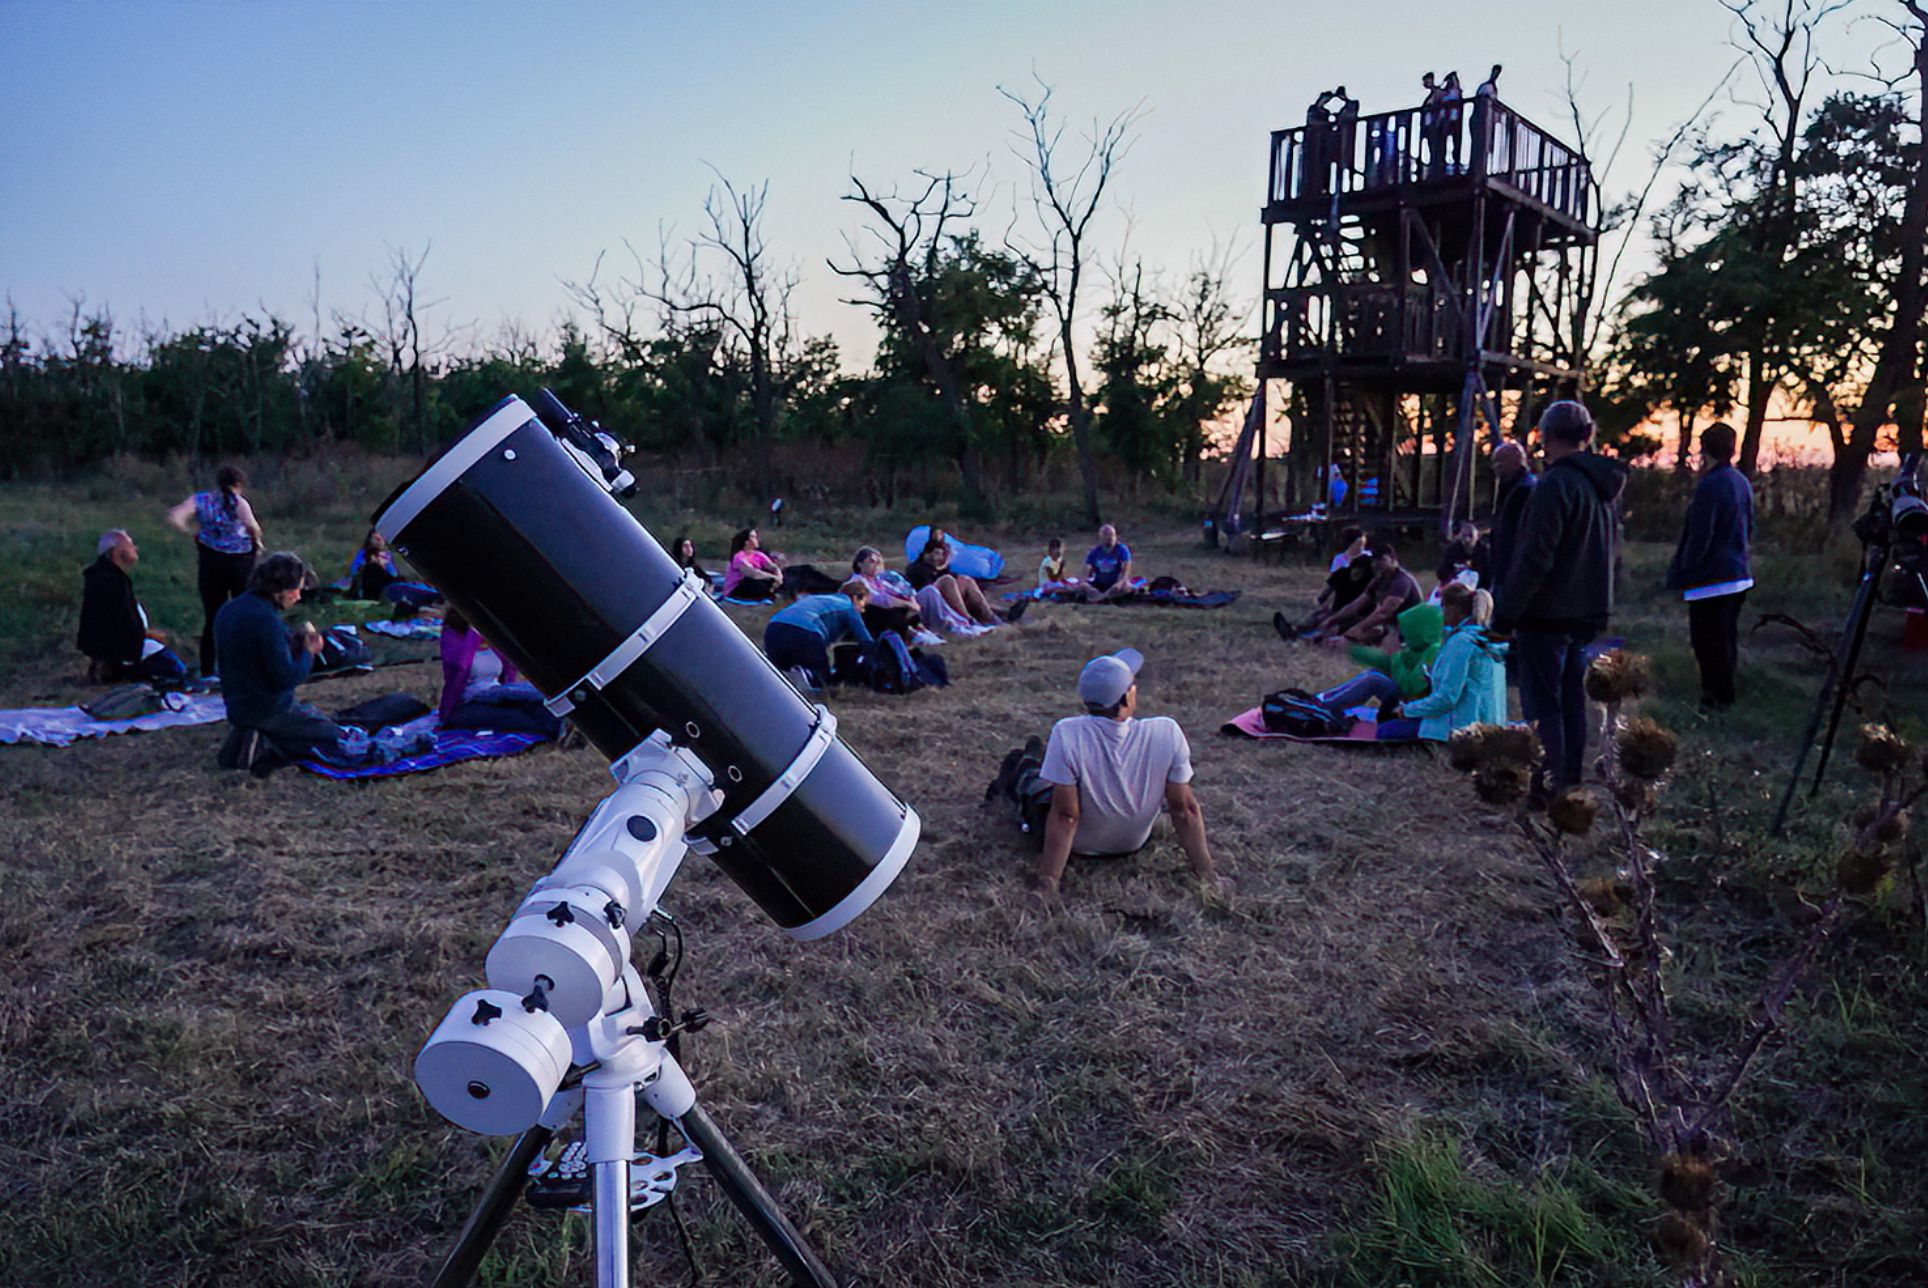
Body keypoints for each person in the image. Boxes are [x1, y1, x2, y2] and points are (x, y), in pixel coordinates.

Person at [1494, 400, 1627, 791]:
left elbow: (1536, 556)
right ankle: (1569, 782)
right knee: (1571, 701)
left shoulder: (1555, 485)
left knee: (1543, 706)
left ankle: (1547, 786)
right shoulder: (1600, 486)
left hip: (1548, 612)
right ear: (1587, 436)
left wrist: (1506, 613)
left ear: (1547, 436)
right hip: (1586, 610)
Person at [1029, 648, 1229, 901]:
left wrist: (1048, 885)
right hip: (1132, 842)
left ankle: (1025, 763)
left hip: (1080, 846)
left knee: (1030, 780)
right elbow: (1184, 809)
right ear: (1125, 699)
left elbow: (1065, 815)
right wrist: (1209, 876)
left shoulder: (1067, 732)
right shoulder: (1166, 732)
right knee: (1033, 773)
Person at [212, 551, 353, 768]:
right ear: (279, 591)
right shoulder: (266, 620)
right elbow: (286, 677)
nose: (298, 597)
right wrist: (308, 652)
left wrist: (294, 641)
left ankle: (253, 734)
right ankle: (264, 743)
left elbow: (253, 654)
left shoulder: (228, 609)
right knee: (331, 734)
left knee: (308, 717)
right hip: (269, 709)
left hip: (237, 707)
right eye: (295, 590)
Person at [1666, 422, 1754, 709]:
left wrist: (1682, 572)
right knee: (1725, 640)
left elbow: (1700, 536)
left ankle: (1714, 697)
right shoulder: (1741, 482)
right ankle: (1724, 695)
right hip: (1737, 574)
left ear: (1706, 449)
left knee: (1706, 644)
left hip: (1710, 579)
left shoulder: (1709, 486)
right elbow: (1749, 527)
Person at [1373, 583, 1506, 741]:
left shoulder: (1460, 642)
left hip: (1460, 728)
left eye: (1443, 607)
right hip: (1488, 723)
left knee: (1384, 731)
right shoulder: (1486, 640)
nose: (1440, 613)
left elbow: (1448, 698)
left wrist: (1407, 710)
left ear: (1454, 609)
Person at [166, 464, 263, 676]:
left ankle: (208, 669)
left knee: (213, 616)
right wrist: (257, 543)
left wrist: (192, 531)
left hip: (211, 561)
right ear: (239, 484)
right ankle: (243, 665)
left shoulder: (201, 500)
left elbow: (175, 516)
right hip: (240, 561)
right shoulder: (239, 503)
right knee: (243, 612)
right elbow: (252, 526)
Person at [76, 529, 188, 686]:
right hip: (125, 652)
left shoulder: (106, 577)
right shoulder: (111, 581)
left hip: (124, 647)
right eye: (130, 544)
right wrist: (146, 635)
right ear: (116, 550)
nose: (136, 548)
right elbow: (118, 624)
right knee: (176, 672)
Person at [1309, 599, 1444, 721]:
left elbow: (1411, 687)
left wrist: (1396, 656)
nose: (1404, 636)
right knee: (1374, 672)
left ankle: (1322, 707)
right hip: (1410, 702)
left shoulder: (1433, 652)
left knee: (1375, 680)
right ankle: (1321, 700)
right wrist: (1352, 649)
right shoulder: (1421, 648)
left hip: (1414, 708)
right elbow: (1385, 662)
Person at [439, 608, 562, 736]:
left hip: (496, 694)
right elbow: (460, 666)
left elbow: (510, 668)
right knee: (518, 717)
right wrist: (473, 632)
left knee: (538, 706)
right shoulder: (451, 636)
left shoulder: (490, 638)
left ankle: (561, 728)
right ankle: (554, 730)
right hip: (466, 704)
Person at [764, 580, 875, 691]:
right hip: (804, 632)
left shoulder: (815, 598)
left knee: (778, 671)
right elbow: (865, 640)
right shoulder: (848, 607)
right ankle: (809, 677)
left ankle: (789, 676)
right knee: (822, 679)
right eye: (863, 605)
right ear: (856, 598)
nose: (863, 610)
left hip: (773, 628)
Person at [1316, 542, 1422, 645]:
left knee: (1361, 635)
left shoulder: (1401, 581)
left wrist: (1357, 629)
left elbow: (1384, 613)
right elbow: (1357, 604)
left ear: (1393, 559)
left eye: (1381, 559)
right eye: (1374, 560)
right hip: (1390, 626)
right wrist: (1332, 620)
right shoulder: (1380, 580)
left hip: (1408, 630)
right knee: (1346, 627)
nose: (1376, 563)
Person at [908, 538, 1011, 625]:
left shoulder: (940, 568)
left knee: (965, 579)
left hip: (947, 599)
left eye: (940, 554)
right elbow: (929, 589)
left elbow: (955, 578)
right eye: (936, 554)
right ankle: (967, 619)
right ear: (926, 554)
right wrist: (944, 565)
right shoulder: (916, 568)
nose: (938, 558)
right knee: (947, 580)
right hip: (929, 602)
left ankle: (992, 615)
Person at [1488, 439, 1538, 598]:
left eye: (1499, 463)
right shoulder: (1512, 487)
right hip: (1505, 568)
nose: (1495, 468)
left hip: (1512, 570)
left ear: (1514, 463)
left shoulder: (1523, 491)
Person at [347, 529, 440, 608]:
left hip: (385, 582)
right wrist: (369, 563)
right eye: (376, 539)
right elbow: (354, 571)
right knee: (372, 569)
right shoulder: (363, 553)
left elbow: (394, 574)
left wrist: (386, 565)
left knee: (399, 581)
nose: (379, 542)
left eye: (381, 539)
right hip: (368, 581)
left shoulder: (386, 555)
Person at [722, 528, 784, 601]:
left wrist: (779, 576)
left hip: (756, 582)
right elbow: (753, 573)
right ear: (746, 542)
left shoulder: (758, 555)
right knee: (754, 581)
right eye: (753, 537)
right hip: (736, 588)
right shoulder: (739, 556)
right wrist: (773, 578)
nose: (756, 539)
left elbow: (773, 567)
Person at [1084, 524, 1136, 601]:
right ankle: (1103, 598)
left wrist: (1118, 584)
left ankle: (1100, 598)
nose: (1110, 538)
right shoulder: (1094, 551)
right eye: (1106, 535)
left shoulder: (1122, 550)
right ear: (1100, 537)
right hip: (1099, 583)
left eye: (1112, 535)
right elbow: (1084, 573)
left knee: (1125, 588)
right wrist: (1087, 586)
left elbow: (1125, 572)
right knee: (1082, 587)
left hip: (1116, 583)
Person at [1435, 521, 1487, 589]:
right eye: (1464, 536)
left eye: (1470, 536)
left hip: (1478, 589)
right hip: (1455, 588)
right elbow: (1441, 573)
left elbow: (1487, 577)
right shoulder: (1451, 551)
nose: (1467, 539)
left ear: (1477, 537)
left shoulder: (1484, 552)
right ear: (1459, 536)